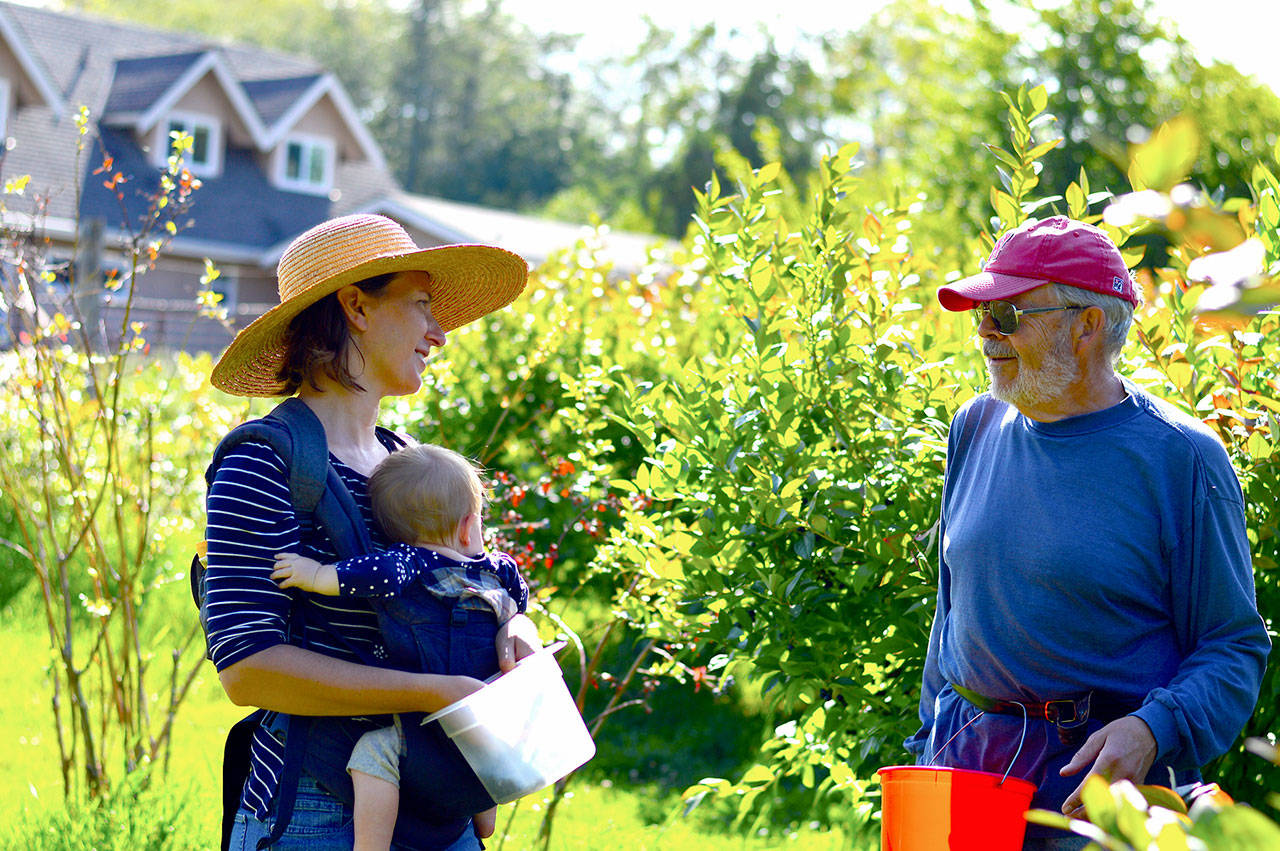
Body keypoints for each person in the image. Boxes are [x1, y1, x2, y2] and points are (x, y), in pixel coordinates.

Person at [905, 216, 1270, 850]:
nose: (987, 332)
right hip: (964, 777)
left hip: (1097, 792)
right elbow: (954, 605)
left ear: (1087, 325)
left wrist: (1154, 729)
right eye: (982, 313)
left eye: (1010, 314)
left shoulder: (1179, 457)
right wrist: (928, 736)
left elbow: (1233, 646)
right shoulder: (975, 426)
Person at [203, 213, 540, 850]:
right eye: (421, 305)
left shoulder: (406, 460)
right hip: (314, 809)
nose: (439, 334)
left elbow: (475, 577)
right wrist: (434, 692)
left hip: (438, 807)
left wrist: (512, 631)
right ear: (355, 306)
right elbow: (247, 670)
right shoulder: (263, 461)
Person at [271, 443, 528, 851]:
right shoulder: (499, 570)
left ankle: (371, 843)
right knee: (485, 750)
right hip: (483, 715)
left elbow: (368, 575)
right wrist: (518, 622)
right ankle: (484, 817)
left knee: (373, 754)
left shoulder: (408, 562)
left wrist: (316, 574)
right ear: (468, 527)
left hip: (420, 724)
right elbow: (519, 602)